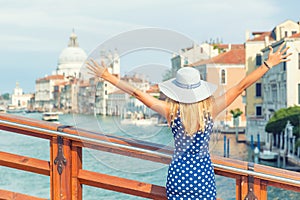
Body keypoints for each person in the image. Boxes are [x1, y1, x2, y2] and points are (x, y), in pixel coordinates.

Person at [86, 42, 291, 200]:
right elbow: (240, 87)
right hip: (202, 175)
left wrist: (109, 77)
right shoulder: (209, 110)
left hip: (178, 175)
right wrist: (267, 64)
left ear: (176, 90)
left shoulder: (171, 111)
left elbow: (138, 94)